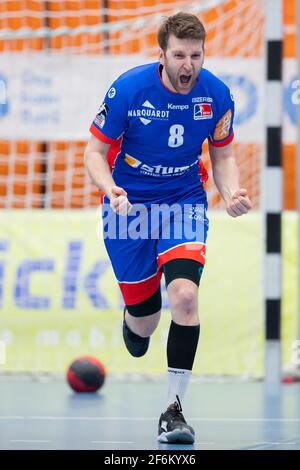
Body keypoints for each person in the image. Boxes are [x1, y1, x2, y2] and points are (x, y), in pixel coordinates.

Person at [84, 11, 251, 445]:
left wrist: (230, 193)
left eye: (195, 55)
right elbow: (94, 153)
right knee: (144, 325)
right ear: (162, 54)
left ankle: (174, 410)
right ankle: (134, 318)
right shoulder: (129, 89)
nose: (188, 65)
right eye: (179, 55)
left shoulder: (216, 95)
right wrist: (111, 189)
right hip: (130, 207)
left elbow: (224, 155)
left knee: (185, 296)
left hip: (183, 202)